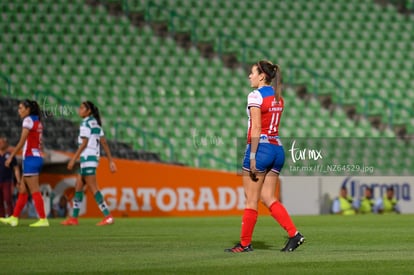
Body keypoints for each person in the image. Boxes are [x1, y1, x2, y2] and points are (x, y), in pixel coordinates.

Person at [225, 60, 304, 253]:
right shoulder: (279, 97)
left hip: (261, 149)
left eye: (252, 73)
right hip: (277, 149)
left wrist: (252, 156)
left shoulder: (255, 95)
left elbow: (257, 127)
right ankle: (294, 235)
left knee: (251, 199)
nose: (249, 76)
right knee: (268, 197)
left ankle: (245, 244)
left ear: (262, 76)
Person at [61, 101, 117, 226]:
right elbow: (104, 143)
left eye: (82, 108)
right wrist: (110, 161)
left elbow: (84, 143)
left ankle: (108, 216)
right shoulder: (96, 123)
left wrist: (73, 159)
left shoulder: (85, 123)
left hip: (87, 158)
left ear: (88, 111)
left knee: (93, 188)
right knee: (79, 186)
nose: (79, 110)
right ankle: (74, 218)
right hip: (92, 158)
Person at [0, 99, 49, 227]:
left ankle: (43, 219)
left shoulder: (27, 120)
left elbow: (21, 141)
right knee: (22, 189)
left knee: (34, 190)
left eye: (21, 108)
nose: (19, 111)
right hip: (35, 157)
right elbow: (39, 141)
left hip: (30, 158)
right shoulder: (37, 121)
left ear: (28, 109)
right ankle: (14, 218)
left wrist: (10, 157)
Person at [0, 135, 21, 217]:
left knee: (8, 199)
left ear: (6, 144)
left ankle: (11, 216)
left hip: (7, 181)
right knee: (0, 201)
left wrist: (18, 181)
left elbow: (16, 169)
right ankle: (1, 217)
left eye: (2, 142)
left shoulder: (10, 155)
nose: (0, 144)